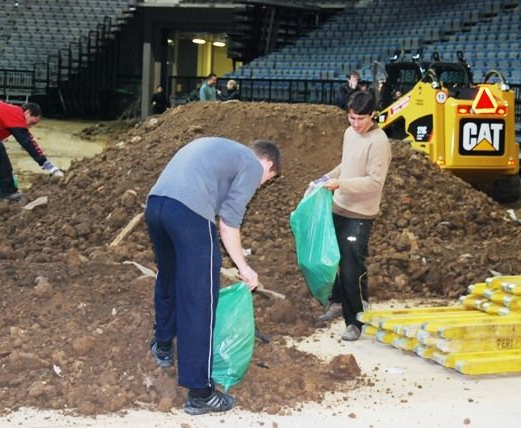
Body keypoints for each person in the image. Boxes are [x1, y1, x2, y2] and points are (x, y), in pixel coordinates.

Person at [145, 137, 280, 415]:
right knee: (199, 298)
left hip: (156, 205)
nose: (260, 184)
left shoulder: (222, 150)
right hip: (188, 213)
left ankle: (163, 345)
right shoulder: (252, 165)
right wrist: (244, 267)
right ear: (267, 163)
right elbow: (228, 224)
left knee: (168, 277)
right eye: (267, 180)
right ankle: (200, 393)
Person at [310, 91, 392, 341]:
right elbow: (346, 165)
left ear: (373, 115)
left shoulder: (379, 142)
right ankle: (339, 301)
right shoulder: (349, 134)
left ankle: (354, 321)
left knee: (350, 266)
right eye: (351, 118)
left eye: (361, 119)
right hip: (340, 206)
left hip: (361, 213)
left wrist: (339, 184)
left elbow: (374, 183)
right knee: (341, 259)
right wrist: (325, 178)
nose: (355, 124)